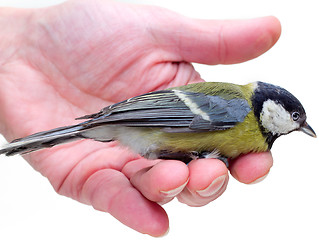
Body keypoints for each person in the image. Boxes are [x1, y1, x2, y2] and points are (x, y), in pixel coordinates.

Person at [0, 0, 281, 237]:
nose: (298, 125)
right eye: (294, 117)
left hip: (141, 128)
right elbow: (170, 109)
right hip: (144, 121)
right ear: (271, 108)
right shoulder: (239, 108)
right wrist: (111, 119)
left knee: (185, 176)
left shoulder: (250, 129)